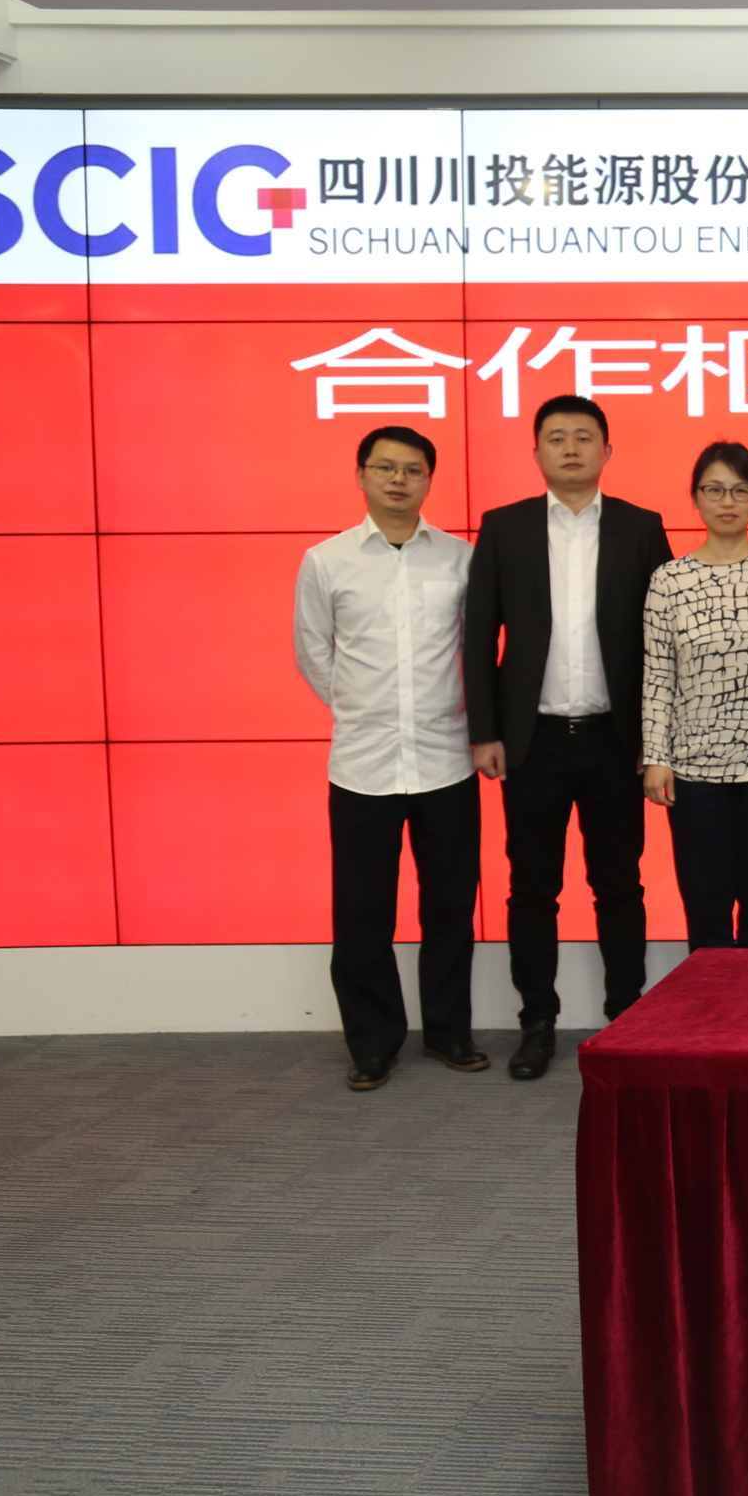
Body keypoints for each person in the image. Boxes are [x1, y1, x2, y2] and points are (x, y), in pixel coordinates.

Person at [465, 394, 675, 1081]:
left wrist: (656, 738)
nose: (571, 448)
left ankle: (627, 1016)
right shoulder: (505, 527)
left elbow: (664, 641)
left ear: (607, 451)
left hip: (617, 741)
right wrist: (485, 731)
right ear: (536, 453)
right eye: (556, 438)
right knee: (532, 889)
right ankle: (537, 1022)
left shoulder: (641, 527)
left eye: (584, 437)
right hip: (534, 743)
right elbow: (478, 635)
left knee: (620, 884)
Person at [292, 425, 483, 1092]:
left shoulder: (460, 559)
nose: (399, 480)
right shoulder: (326, 560)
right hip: (363, 766)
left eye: (412, 470)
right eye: (385, 468)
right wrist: (363, 709)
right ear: (361, 475)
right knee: (362, 912)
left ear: (430, 479)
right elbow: (314, 652)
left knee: (451, 907)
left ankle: (449, 1032)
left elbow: (474, 651)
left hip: (446, 761)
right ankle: (372, 1043)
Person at [642, 442, 748, 951]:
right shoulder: (669, 580)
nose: (727, 502)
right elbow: (658, 674)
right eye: (714, 490)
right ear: (695, 498)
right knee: (706, 910)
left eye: (740, 490)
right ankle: (708, 1002)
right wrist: (656, 757)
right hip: (694, 772)